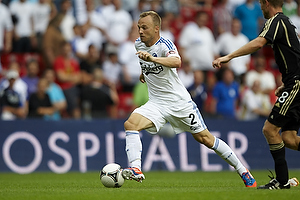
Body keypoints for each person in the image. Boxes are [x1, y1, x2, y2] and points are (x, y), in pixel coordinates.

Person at [121, 11, 257, 188]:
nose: (140, 31)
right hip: (156, 103)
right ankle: (136, 169)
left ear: (156, 29)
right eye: (139, 27)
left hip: (179, 103)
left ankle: (243, 171)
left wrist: (153, 59)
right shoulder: (138, 44)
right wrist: (144, 72)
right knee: (130, 124)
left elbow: (177, 62)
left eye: (144, 27)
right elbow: (146, 63)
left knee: (205, 139)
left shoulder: (165, 44)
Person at [213, 0, 300, 189]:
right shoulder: (288, 23)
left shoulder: (275, 21)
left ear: (266, 3)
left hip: (296, 84)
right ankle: (283, 181)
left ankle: (282, 181)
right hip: (294, 83)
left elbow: (259, 43)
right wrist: (286, 83)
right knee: (289, 139)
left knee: (269, 129)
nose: (261, 8)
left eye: (261, 4)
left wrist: (229, 56)